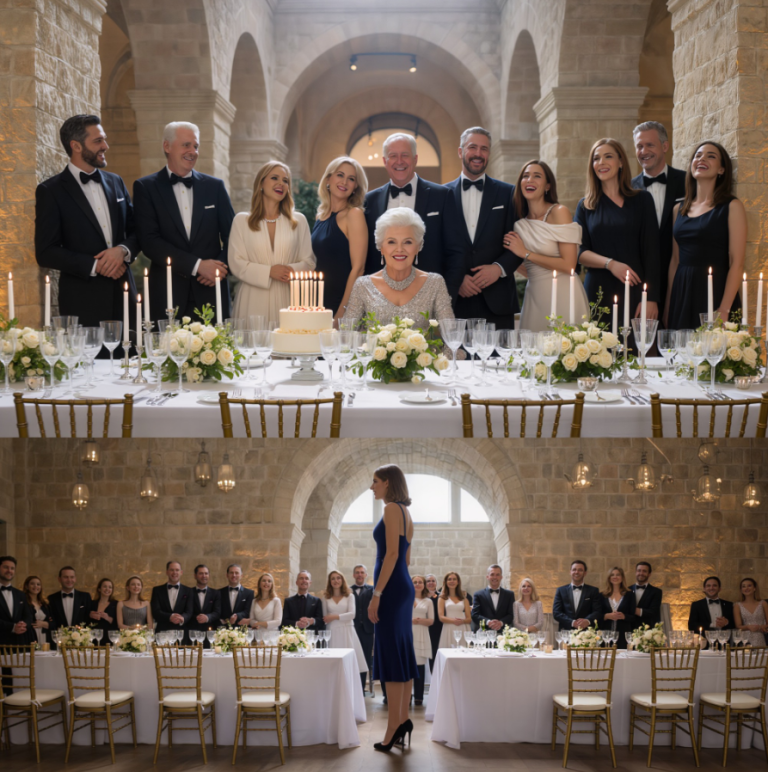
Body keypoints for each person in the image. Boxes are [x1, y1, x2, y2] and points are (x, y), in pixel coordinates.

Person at [35, 115, 140, 331]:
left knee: (131, 361)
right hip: (82, 300)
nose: (105, 146)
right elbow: (46, 251)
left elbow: (137, 230)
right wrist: (96, 265)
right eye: (98, 141)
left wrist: (122, 250)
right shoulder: (51, 191)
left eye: (104, 139)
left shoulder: (116, 181)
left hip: (125, 292)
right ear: (76, 146)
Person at [133, 121, 234, 323]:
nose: (192, 151)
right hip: (167, 294)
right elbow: (149, 241)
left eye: (195, 146)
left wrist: (218, 268)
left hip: (211, 292)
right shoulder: (146, 187)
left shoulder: (215, 187)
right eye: (186, 145)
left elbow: (233, 235)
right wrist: (197, 266)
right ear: (167, 146)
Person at [574, 138, 660, 337]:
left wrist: (651, 298)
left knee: (636, 355)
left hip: (637, 290)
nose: (601, 162)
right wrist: (611, 264)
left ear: (621, 162)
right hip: (598, 291)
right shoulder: (585, 206)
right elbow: (579, 252)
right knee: (599, 357)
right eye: (596, 158)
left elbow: (652, 252)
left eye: (608, 156)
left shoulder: (642, 200)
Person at [363, 133, 459, 298]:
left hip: (430, 296)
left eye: (405, 155)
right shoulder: (369, 201)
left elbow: (456, 251)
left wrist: (446, 296)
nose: (399, 161)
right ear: (385, 161)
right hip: (379, 298)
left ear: (415, 159)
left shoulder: (442, 196)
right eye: (393, 156)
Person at [665, 141, 746, 330]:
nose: (701, 158)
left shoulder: (732, 207)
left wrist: (724, 308)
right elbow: (675, 260)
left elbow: (737, 262)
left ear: (722, 170)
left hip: (716, 290)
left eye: (711, 156)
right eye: (698, 155)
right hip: (683, 292)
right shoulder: (679, 209)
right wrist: (670, 303)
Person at [445, 127, 521, 327]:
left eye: (484, 149)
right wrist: (457, 279)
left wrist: (498, 268)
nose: (478, 154)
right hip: (455, 300)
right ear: (461, 152)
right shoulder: (441, 195)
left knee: (500, 359)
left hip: (498, 300)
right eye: (473, 147)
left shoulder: (509, 193)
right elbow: (436, 247)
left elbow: (521, 241)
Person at [367, 464, 418, 752]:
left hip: (391, 590)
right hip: (402, 586)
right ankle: (403, 720)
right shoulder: (407, 513)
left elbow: (393, 554)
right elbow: (406, 561)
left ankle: (393, 728)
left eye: (375, 482)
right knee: (401, 652)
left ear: (387, 482)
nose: (372, 487)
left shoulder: (390, 510)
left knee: (392, 654)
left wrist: (377, 594)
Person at [505, 160, 588, 331]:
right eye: (525, 176)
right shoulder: (519, 224)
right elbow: (524, 267)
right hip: (535, 296)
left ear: (547, 186)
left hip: (564, 295)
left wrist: (525, 253)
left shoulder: (559, 212)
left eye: (537, 176)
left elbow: (569, 264)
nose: (530, 180)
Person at [229, 161, 316, 324]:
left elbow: (309, 262)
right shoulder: (241, 221)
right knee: (251, 346)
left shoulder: (299, 221)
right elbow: (236, 263)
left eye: (285, 180)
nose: (281, 184)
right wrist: (269, 271)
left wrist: (289, 270)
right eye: (274, 178)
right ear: (261, 183)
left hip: (288, 298)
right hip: (252, 299)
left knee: (287, 346)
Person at [345, 208, 453, 331]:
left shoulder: (435, 283)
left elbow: (451, 337)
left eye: (407, 242)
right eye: (391, 242)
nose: (400, 249)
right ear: (381, 247)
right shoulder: (362, 285)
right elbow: (347, 335)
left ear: (418, 247)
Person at [631, 121, 687, 321]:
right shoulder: (628, 190)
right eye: (639, 146)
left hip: (681, 278)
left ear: (665, 146)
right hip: (640, 282)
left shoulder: (688, 183)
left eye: (650, 145)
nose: (643, 151)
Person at [312, 157, 369, 318]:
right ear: (328, 179)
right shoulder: (320, 217)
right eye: (340, 175)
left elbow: (358, 269)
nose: (344, 182)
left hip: (340, 303)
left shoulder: (354, 215)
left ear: (355, 187)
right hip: (317, 301)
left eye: (351, 179)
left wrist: (342, 312)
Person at [322, 570, 369, 683]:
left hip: (347, 631)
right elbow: (325, 617)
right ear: (329, 581)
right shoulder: (325, 597)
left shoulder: (349, 596)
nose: (336, 581)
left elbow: (352, 615)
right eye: (333, 578)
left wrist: (334, 616)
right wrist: (333, 618)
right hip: (332, 631)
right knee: (333, 664)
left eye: (338, 578)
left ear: (342, 580)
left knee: (349, 664)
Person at [0, 556, 31, 696]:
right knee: (4, 682)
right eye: (6, 567)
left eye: (12, 568)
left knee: (19, 680)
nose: (9, 571)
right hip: (1, 642)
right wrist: (12, 627)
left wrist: (24, 624)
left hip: (19, 643)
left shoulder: (20, 595)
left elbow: (28, 615)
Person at [552, 560, 602, 630]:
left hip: (587, 633)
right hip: (566, 633)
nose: (576, 572)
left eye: (580, 570)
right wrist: (572, 622)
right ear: (570, 572)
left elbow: (597, 611)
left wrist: (587, 621)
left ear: (585, 573)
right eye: (574, 569)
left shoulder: (593, 591)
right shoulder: (561, 590)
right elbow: (556, 612)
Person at [350, 564, 374, 695]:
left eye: (362, 572)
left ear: (366, 575)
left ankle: (360, 689)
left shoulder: (372, 590)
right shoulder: (347, 590)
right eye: (357, 572)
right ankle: (351, 688)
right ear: (353, 575)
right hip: (352, 629)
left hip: (367, 630)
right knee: (352, 656)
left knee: (364, 658)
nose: (359, 574)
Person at [150, 560, 193, 634]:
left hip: (182, 632)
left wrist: (182, 618)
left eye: (177, 570)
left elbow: (189, 611)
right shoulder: (157, 590)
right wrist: (170, 616)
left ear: (181, 572)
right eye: (172, 570)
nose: (174, 573)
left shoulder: (188, 591)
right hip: (162, 632)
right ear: (167, 572)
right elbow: (155, 611)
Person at [471, 564, 515, 632]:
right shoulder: (478, 594)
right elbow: (475, 615)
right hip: (484, 633)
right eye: (492, 574)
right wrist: (488, 622)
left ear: (501, 577)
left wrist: (500, 623)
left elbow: (511, 614)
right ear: (487, 577)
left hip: (504, 634)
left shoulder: (509, 594)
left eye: (497, 574)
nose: (495, 577)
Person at [411, 575, 434, 706]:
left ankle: (419, 697)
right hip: (408, 632)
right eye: (415, 582)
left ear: (424, 585)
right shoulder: (405, 598)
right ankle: (407, 696)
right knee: (408, 664)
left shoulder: (428, 601)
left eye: (420, 582)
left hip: (422, 633)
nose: (417, 584)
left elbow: (431, 620)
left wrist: (419, 621)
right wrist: (410, 621)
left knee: (420, 665)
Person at [599, 567, 635, 648]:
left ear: (622, 578)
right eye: (612, 575)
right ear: (609, 578)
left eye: (618, 575)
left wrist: (624, 616)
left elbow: (633, 617)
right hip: (606, 635)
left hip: (623, 634)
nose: (615, 577)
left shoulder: (630, 595)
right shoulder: (602, 595)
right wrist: (606, 616)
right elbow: (597, 615)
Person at [48, 566, 91, 630]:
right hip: (59, 637)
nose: (69, 580)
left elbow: (89, 619)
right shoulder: (51, 599)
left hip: (81, 637)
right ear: (59, 579)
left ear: (75, 579)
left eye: (72, 577)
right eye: (66, 577)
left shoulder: (85, 597)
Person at [437, 572, 472, 649]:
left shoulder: (464, 599)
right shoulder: (442, 598)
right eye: (449, 579)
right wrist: (454, 621)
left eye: (454, 579)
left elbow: (469, 619)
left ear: (458, 582)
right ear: (446, 582)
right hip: (449, 627)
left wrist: (462, 621)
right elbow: (441, 617)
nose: (452, 581)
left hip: (462, 627)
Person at [187, 565, 220, 645]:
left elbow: (217, 612)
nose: (204, 576)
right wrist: (197, 617)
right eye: (201, 573)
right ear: (195, 576)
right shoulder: (188, 592)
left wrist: (207, 617)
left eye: (206, 573)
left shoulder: (216, 593)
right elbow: (186, 611)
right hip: (191, 634)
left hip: (210, 634)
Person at [733, 577, 768, 647]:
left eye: (749, 585)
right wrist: (748, 627)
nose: (746, 588)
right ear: (741, 590)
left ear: (754, 588)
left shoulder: (763, 603)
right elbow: (738, 626)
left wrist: (759, 627)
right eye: (743, 586)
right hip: (745, 640)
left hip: (760, 637)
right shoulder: (737, 605)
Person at [22, 575, 54, 648]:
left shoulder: (45, 604)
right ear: (27, 586)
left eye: (38, 584)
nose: (36, 586)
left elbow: (53, 622)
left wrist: (44, 624)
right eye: (32, 584)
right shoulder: (23, 603)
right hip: (30, 636)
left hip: (45, 636)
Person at [630, 561, 663, 629]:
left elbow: (653, 612)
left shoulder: (656, 592)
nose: (641, 573)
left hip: (646, 630)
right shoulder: (627, 590)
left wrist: (633, 610)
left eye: (644, 571)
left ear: (649, 574)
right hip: (628, 630)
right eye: (639, 570)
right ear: (636, 572)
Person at [425, 574, 442, 676]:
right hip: (424, 627)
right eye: (428, 581)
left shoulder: (442, 597)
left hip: (438, 628)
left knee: (435, 653)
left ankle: (435, 676)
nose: (431, 583)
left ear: (436, 583)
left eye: (433, 580)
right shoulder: (420, 597)